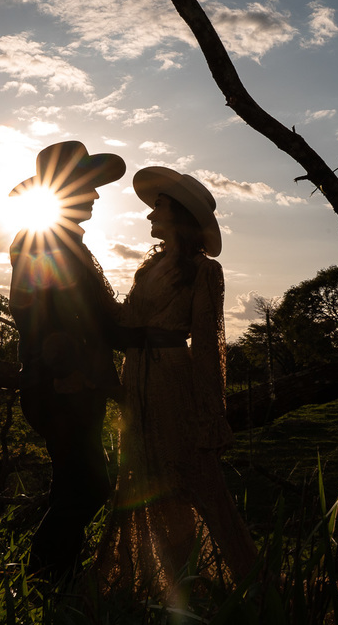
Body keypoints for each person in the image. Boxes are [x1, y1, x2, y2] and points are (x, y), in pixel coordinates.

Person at [93, 166, 256, 602]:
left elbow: (207, 345)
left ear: (179, 213)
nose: (149, 216)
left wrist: (210, 414)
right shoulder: (149, 265)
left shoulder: (204, 271)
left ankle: (219, 583)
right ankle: (157, 582)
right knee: (143, 473)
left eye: (158, 207)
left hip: (171, 375)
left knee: (184, 475)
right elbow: (126, 320)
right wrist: (88, 285)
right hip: (138, 376)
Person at [8, 141, 125, 580]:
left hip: (78, 384)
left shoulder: (67, 241)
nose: (95, 196)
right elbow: (31, 312)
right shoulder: (41, 240)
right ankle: (44, 578)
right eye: (88, 186)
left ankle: (57, 578)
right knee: (88, 486)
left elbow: (93, 320)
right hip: (60, 386)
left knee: (75, 485)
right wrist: (65, 371)